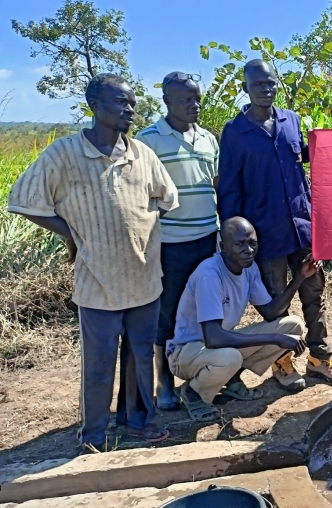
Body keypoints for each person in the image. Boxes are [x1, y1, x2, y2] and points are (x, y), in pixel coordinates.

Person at [7, 73, 177, 450]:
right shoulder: (64, 155)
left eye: (132, 102)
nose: (129, 109)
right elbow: (23, 200)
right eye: (120, 102)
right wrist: (72, 230)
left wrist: (138, 232)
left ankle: (138, 421)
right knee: (99, 365)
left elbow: (166, 199)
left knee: (140, 357)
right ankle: (94, 435)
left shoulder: (142, 154)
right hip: (97, 281)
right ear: (95, 106)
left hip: (144, 278)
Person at [218, 59, 332, 385]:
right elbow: (230, 189)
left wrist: (329, 145)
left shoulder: (291, 121)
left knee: (313, 293)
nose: (266, 89)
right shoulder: (235, 133)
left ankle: (321, 357)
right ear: (246, 87)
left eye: (270, 83)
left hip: (301, 227)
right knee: (276, 301)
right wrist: (231, 239)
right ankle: (282, 362)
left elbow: (304, 161)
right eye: (258, 84)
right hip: (265, 234)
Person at [166, 217, 314, 421]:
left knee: (292, 326)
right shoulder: (210, 275)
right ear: (223, 246)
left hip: (217, 347)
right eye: (240, 244)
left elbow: (270, 312)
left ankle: (231, 378)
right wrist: (274, 339)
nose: (248, 249)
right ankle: (193, 393)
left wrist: (299, 278)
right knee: (230, 357)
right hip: (186, 352)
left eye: (252, 243)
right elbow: (214, 338)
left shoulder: (248, 268)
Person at [135, 72, 220, 411]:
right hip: (170, 244)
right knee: (167, 315)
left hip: (208, 240)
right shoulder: (148, 141)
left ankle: (205, 373)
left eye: (197, 98)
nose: (194, 104)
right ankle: (164, 383)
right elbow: (140, 194)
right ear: (167, 101)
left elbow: (216, 185)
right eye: (186, 99)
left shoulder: (208, 140)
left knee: (207, 311)